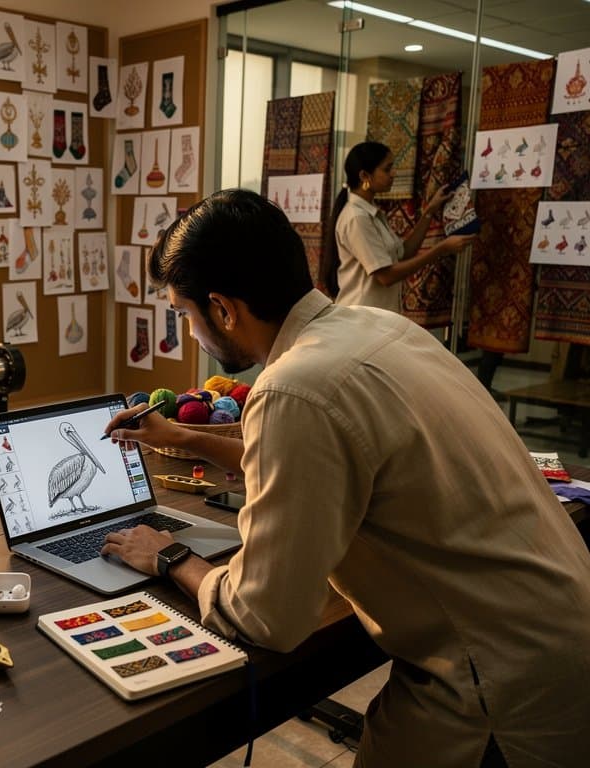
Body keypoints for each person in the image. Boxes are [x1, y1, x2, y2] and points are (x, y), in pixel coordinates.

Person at [101, 189, 590, 768]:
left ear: (223, 309)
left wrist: (169, 555)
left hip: (497, 684)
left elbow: (265, 617)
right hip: (557, 635)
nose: (189, 334)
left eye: (185, 315)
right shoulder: (377, 328)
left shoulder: (294, 387)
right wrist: (183, 437)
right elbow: (333, 452)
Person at [319, 141, 475, 312]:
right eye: (387, 169)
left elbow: (404, 252)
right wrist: (441, 249)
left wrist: (430, 211)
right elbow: (386, 276)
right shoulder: (357, 218)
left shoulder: (373, 214)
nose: (393, 173)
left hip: (375, 318)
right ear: (365, 176)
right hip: (362, 320)